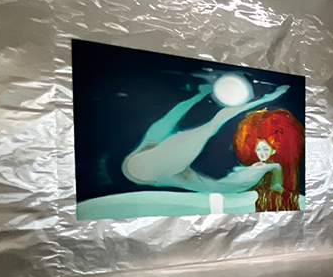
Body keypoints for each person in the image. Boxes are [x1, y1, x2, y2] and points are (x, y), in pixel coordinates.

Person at [122, 82, 290, 195]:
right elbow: (217, 120)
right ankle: (200, 94)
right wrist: (269, 98)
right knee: (196, 124)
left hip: (147, 169)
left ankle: (200, 94)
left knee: (173, 121)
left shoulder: (162, 160)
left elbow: (175, 116)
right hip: (147, 168)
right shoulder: (165, 162)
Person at [233, 109, 304, 211]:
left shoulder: (276, 167)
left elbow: (277, 186)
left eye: (265, 149)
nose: (261, 153)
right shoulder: (257, 166)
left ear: (274, 150)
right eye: (258, 149)